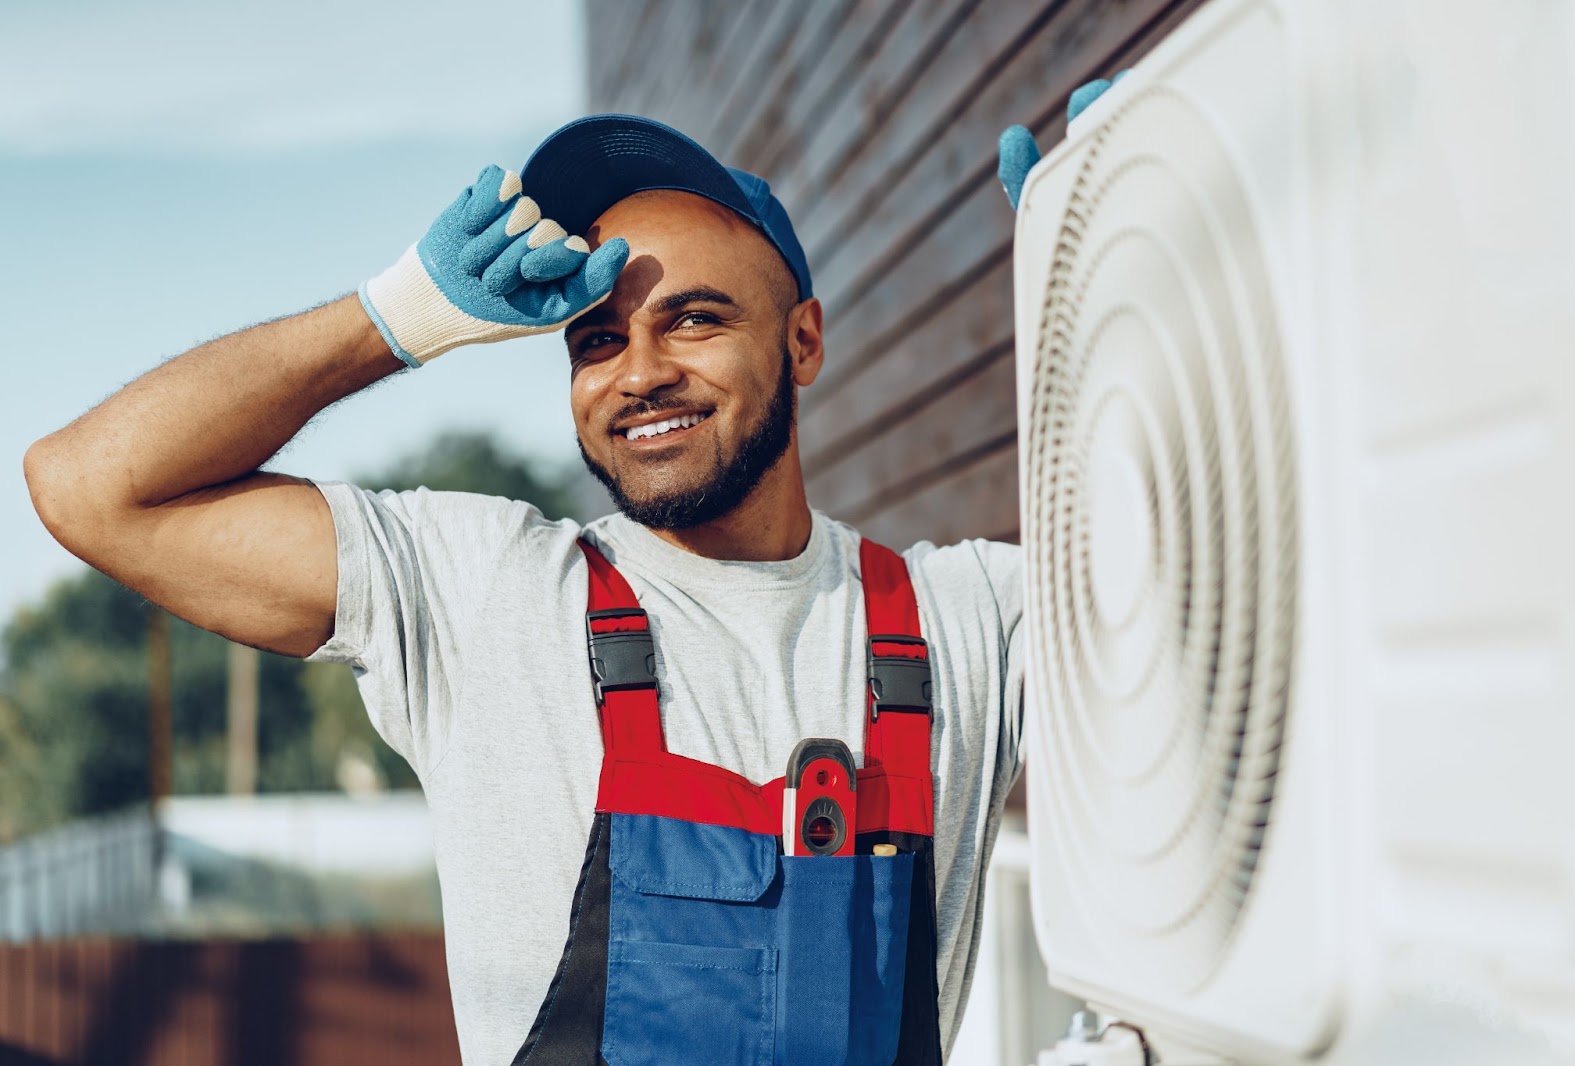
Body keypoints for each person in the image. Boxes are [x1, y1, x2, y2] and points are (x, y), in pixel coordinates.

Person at [25, 109, 1064, 1064]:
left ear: (803, 341)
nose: (639, 371)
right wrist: (394, 316)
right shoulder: (487, 594)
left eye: (694, 319)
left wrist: (1133, 281)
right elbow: (88, 489)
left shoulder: (968, 622)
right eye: (596, 340)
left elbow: (1212, 588)